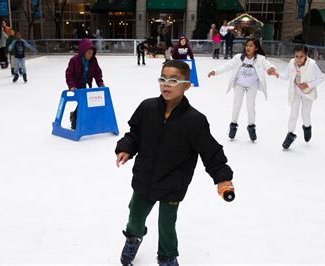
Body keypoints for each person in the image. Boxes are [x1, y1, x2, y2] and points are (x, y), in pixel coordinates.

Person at [115, 60, 234, 266]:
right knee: (135, 216)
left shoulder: (195, 120)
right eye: (163, 79)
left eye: (174, 80)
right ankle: (133, 239)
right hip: (144, 178)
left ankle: (167, 257)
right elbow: (134, 134)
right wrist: (126, 147)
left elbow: (211, 152)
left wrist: (223, 179)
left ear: (187, 85)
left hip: (173, 183)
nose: (166, 84)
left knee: (167, 225)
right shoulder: (147, 107)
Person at [208, 38, 277, 141]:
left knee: (250, 107)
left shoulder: (260, 59)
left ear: (256, 48)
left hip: (252, 86)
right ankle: (233, 126)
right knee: (236, 105)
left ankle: (251, 127)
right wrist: (215, 71)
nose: (248, 47)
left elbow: (268, 65)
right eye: (247, 45)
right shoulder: (239, 57)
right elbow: (227, 66)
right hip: (239, 85)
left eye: (251, 46)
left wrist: (271, 69)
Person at [274, 45, 325, 149]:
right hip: (296, 92)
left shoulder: (312, 64)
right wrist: (276, 74)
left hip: (308, 93)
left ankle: (307, 127)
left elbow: (321, 78)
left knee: (305, 114)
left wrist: (308, 85)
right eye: (296, 56)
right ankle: (290, 136)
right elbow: (286, 76)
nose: (298, 59)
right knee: (293, 114)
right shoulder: (292, 63)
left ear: (306, 55)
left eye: (301, 56)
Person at [65, 38, 104, 130]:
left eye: (92, 53)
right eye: (89, 53)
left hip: (85, 85)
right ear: (83, 51)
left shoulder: (93, 60)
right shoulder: (74, 60)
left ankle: (76, 116)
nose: (90, 55)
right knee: (83, 102)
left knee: (87, 102)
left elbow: (97, 73)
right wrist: (71, 85)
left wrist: (100, 84)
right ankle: (75, 119)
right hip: (76, 85)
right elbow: (69, 74)